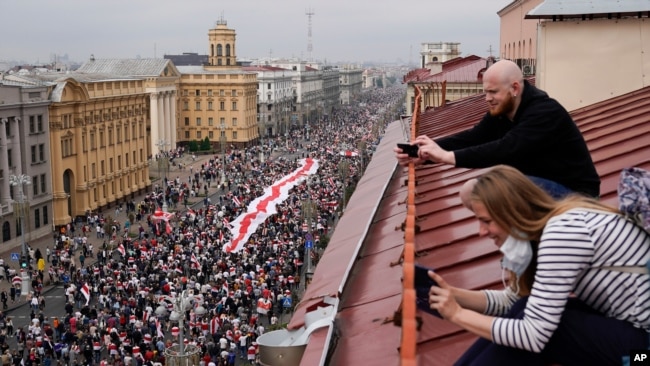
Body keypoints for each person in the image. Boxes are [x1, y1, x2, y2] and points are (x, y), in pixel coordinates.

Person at [425, 165, 650, 365]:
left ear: (512, 213)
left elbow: (534, 336)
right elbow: (511, 301)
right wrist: (451, 295)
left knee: (550, 333)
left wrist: (456, 314)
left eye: (486, 221)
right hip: (635, 336)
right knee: (524, 308)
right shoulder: (558, 224)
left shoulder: (563, 231)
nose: (481, 232)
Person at [394, 59, 600, 198]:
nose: (487, 99)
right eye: (485, 92)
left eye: (493, 92)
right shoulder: (505, 109)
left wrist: (447, 157)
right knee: (472, 191)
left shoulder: (544, 112)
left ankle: (523, 260)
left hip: (577, 197)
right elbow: (474, 137)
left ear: (515, 88)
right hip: (542, 187)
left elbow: (507, 148)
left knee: (499, 188)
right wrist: (426, 152)